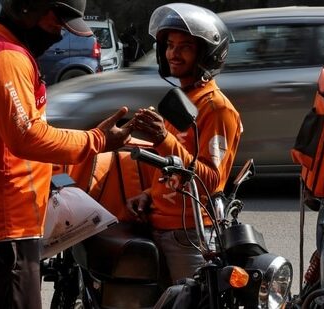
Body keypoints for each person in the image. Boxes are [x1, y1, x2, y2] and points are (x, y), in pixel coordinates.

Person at [0, 0, 132, 308]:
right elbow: (26, 136)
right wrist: (97, 140)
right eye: (56, 21)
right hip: (6, 225)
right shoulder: (4, 57)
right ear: (27, 6)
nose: (59, 32)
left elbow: (5, 137)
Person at [126, 3, 243, 284]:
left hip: (189, 234)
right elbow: (170, 167)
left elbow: (212, 180)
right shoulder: (183, 99)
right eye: (169, 45)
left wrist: (162, 138)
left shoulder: (216, 109)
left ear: (206, 54)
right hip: (158, 224)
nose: (173, 54)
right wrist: (148, 193)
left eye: (185, 47)